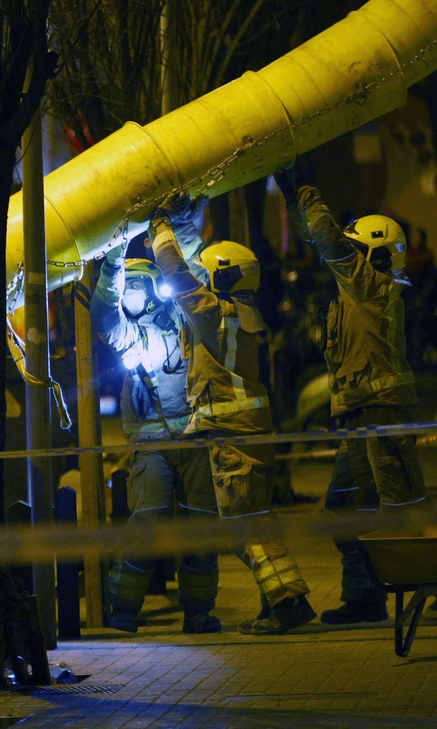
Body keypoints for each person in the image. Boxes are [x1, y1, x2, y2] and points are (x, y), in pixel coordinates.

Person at [150, 199, 315, 636]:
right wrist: (185, 225)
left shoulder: (213, 315)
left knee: (245, 530)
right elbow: (197, 270)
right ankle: (282, 601)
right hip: (252, 434)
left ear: (220, 278)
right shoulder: (245, 315)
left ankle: (287, 603)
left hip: (232, 437)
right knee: (255, 522)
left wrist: (160, 229)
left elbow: (179, 277)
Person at [274, 163, 427, 625]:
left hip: (379, 414)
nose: (350, 259)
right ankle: (365, 597)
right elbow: (319, 244)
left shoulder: (372, 288)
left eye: (358, 251)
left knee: (397, 507)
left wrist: (305, 188)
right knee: (348, 508)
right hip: (362, 416)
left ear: (373, 255)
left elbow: (328, 242)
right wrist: (291, 198)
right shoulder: (357, 293)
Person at [90, 243, 223, 634]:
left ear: (153, 289)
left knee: (200, 527)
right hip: (151, 447)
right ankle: (123, 611)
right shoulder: (130, 334)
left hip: (195, 439)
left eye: (137, 285)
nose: (130, 293)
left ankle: (199, 611)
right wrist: (112, 264)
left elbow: (195, 281)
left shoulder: (184, 319)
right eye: (124, 287)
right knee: (147, 524)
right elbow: (104, 315)